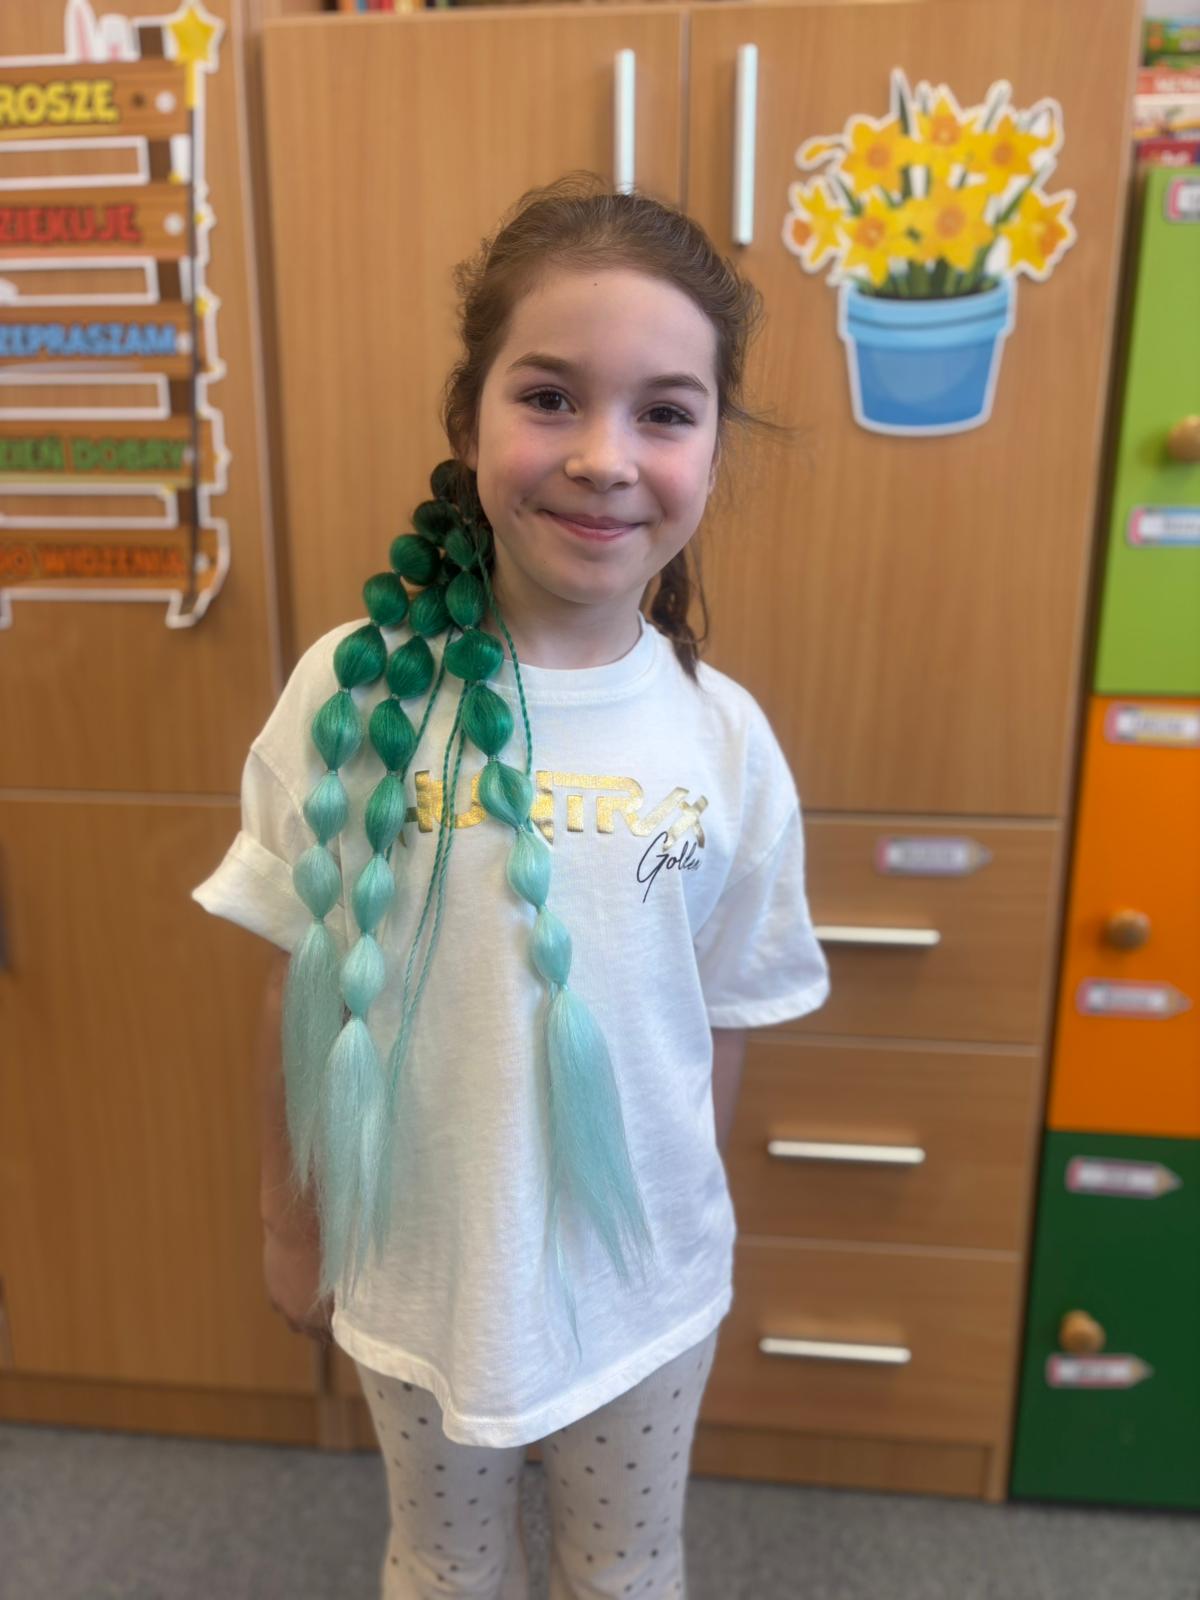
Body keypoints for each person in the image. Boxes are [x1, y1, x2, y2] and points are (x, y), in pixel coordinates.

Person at [192, 172, 830, 1600]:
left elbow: (719, 1021)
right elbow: (300, 987)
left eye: (664, 412)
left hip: (642, 1285)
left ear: (714, 445)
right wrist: (290, 1222)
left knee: (625, 1568)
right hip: (422, 1268)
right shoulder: (353, 698)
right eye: (550, 397)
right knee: (443, 1565)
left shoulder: (725, 742)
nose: (605, 457)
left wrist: (681, 1225)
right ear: (468, 419)